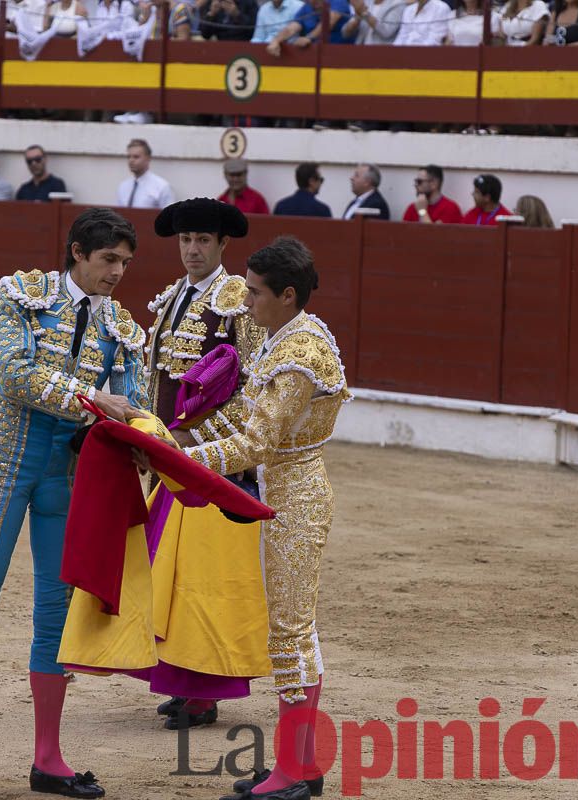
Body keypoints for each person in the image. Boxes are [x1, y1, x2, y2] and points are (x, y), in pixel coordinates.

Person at [0, 208, 148, 800]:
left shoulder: (122, 328)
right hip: (11, 462)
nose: (118, 273)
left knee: (56, 612)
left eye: (125, 263)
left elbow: (137, 403)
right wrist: (96, 400)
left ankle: (48, 757)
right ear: (77, 252)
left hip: (71, 475)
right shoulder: (22, 295)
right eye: (108, 260)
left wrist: (152, 438)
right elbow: (13, 376)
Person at [186, 236, 349, 800]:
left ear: (286, 294)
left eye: (254, 292)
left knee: (291, 632)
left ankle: (293, 772)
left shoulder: (298, 354)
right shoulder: (289, 338)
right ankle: (299, 763)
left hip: (295, 499)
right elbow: (245, 425)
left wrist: (181, 458)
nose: (245, 301)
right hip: (286, 493)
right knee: (294, 631)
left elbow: (257, 441)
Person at [118, 198, 269, 731]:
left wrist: (189, 444)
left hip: (212, 466)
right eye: (185, 241)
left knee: (203, 582)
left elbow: (251, 393)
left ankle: (205, 694)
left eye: (203, 240)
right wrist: (151, 437)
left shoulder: (237, 303)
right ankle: (184, 682)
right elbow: (152, 376)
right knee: (173, 577)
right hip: (170, 459)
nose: (192, 250)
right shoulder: (173, 298)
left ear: (224, 246)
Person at [117, 138, 174, 209]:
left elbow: (169, 216)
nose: (131, 160)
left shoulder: (161, 187)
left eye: (136, 157)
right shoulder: (123, 186)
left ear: (148, 158)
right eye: (129, 157)